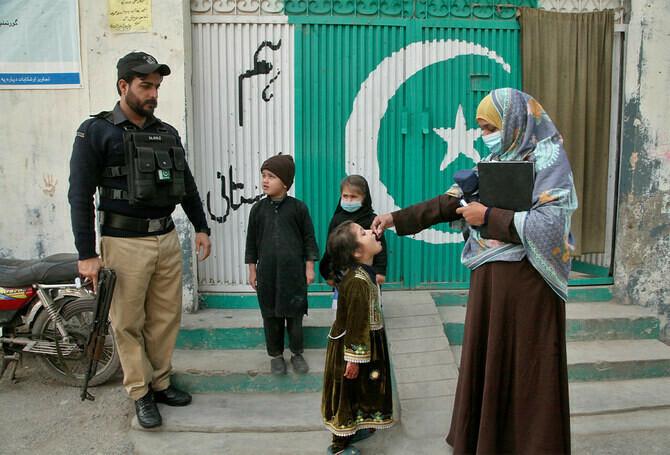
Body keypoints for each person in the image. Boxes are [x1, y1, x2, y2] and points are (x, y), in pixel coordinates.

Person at [372, 88, 577, 454]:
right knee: (489, 364)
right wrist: (393, 219)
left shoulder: (548, 162)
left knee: (527, 369)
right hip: (490, 285)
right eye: (482, 128)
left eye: (489, 127)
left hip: (529, 288)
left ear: (515, 123)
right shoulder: (493, 162)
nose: (485, 135)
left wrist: (489, 217)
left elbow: (552, 225)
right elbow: (448, 204)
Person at [68, 51, 212, 429]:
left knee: (166, 317)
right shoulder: (95, 132)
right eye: (145, 86)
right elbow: (79, 195)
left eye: (157, 87)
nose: (153, 94)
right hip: (123, 242)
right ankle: (140, 391)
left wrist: (201, 226)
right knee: (127, 321)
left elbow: (186, 184)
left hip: (165, 238)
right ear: (123, 86)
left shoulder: (166, 133)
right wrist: (87, 254)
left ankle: (161, 381)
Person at [321, 221, 394, 455]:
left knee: (362, 389)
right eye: (363, 232)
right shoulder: (357, 281)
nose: (372, 232)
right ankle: (339, 445)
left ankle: (355, 426)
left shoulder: (364, 275)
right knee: (347, 392)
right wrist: (353, 359)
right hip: (352, 350)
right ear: (356, 252)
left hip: (365, 345)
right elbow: (355, 322)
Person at [245, 154, 319, 375]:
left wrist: (309, 267)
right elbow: (251, 243)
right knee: (270, 316)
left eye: (271, 176)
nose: (265, 180)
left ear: (285, 182)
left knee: (294, 317)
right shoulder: (257, 210)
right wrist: (252, 270)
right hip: (267, 275)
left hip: (293, 275)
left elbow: (308, 239)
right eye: (263, 176)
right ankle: (276, 356)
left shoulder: (298, 208)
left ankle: (297, 353)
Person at [319, 175, 388, 286]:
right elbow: (331, 248)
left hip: (369, 273)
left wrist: (380, 271)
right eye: (345, 196)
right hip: (342, 274)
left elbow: (381, 246)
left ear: (364, 197)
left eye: (354, 196)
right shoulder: (337, 219)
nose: (349, 200)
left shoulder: (371, 220)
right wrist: (328, 273)